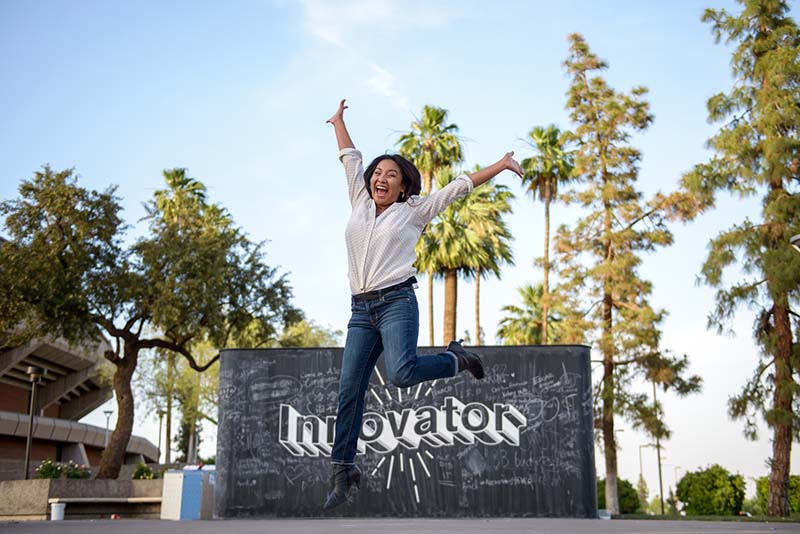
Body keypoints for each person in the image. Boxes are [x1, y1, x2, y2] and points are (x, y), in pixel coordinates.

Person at [323, 99, 523, 510]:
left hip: (397, 301)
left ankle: (457, 359)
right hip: (360, 311)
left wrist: (501, 165)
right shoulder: (359, 201)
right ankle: (344, 470)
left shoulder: (414, 211)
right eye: (377, 173)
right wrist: (339, 121)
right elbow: (349, 157)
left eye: (390, 175)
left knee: (400, 373)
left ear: (402, 185)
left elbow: (459, 186)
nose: (380, 178)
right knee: (349, 390)